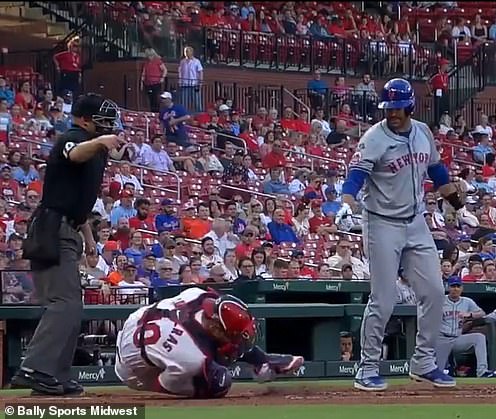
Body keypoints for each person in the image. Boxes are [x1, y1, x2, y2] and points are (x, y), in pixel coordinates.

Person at [342, 78, 463, 391]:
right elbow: (356, 174)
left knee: (435, 292)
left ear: (409, 106)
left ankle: (424, 362)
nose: (392, 113)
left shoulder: (422, 131)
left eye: (397, 108)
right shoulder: (374, 138)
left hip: (415, 222)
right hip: (381, 223)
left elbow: (436, 170)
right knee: (383, 299)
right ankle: (366, 367)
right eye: (388, 108)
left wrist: (453, 198)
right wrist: (346, 201)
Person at [12, 93, 122, 396]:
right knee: (64, 303)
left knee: (72, 305)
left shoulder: (94, 149)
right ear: (84, 119)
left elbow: (77, 203)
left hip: (68, 227)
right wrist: (100, 142)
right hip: (51, 228)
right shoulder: (72, 137)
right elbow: (73, 153)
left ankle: (54, 376)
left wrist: (88, 239)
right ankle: (35, 368)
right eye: (101, 121)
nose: (108, 127)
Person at [115, 287, 303, 397]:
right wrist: (208, 372)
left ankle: (261, 360)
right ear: (214, 327)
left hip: (140, 318)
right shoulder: (191, 357)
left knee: (223, 347)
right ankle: (259, 362)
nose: (237, 340)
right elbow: (164, 383)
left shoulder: (199, 295)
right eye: (234, 335)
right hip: (132, 367)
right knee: (218, 383)